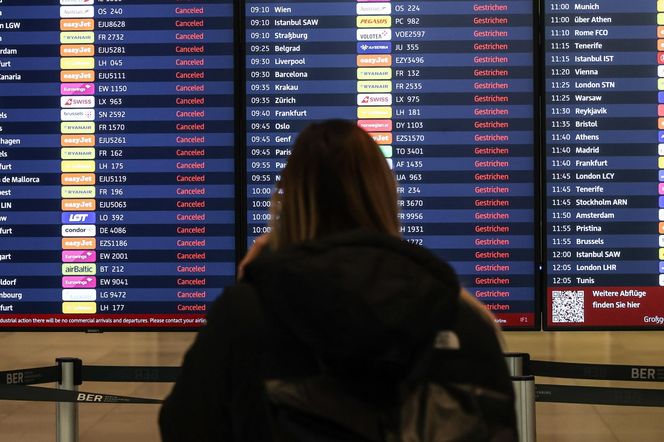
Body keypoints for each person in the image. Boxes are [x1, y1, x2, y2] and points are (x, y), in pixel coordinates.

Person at [159, 120, 516, 441]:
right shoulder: (460, 317)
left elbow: (185, 427)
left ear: (290, 201)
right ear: (385, 197)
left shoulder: (247, 315)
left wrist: (249, 287)